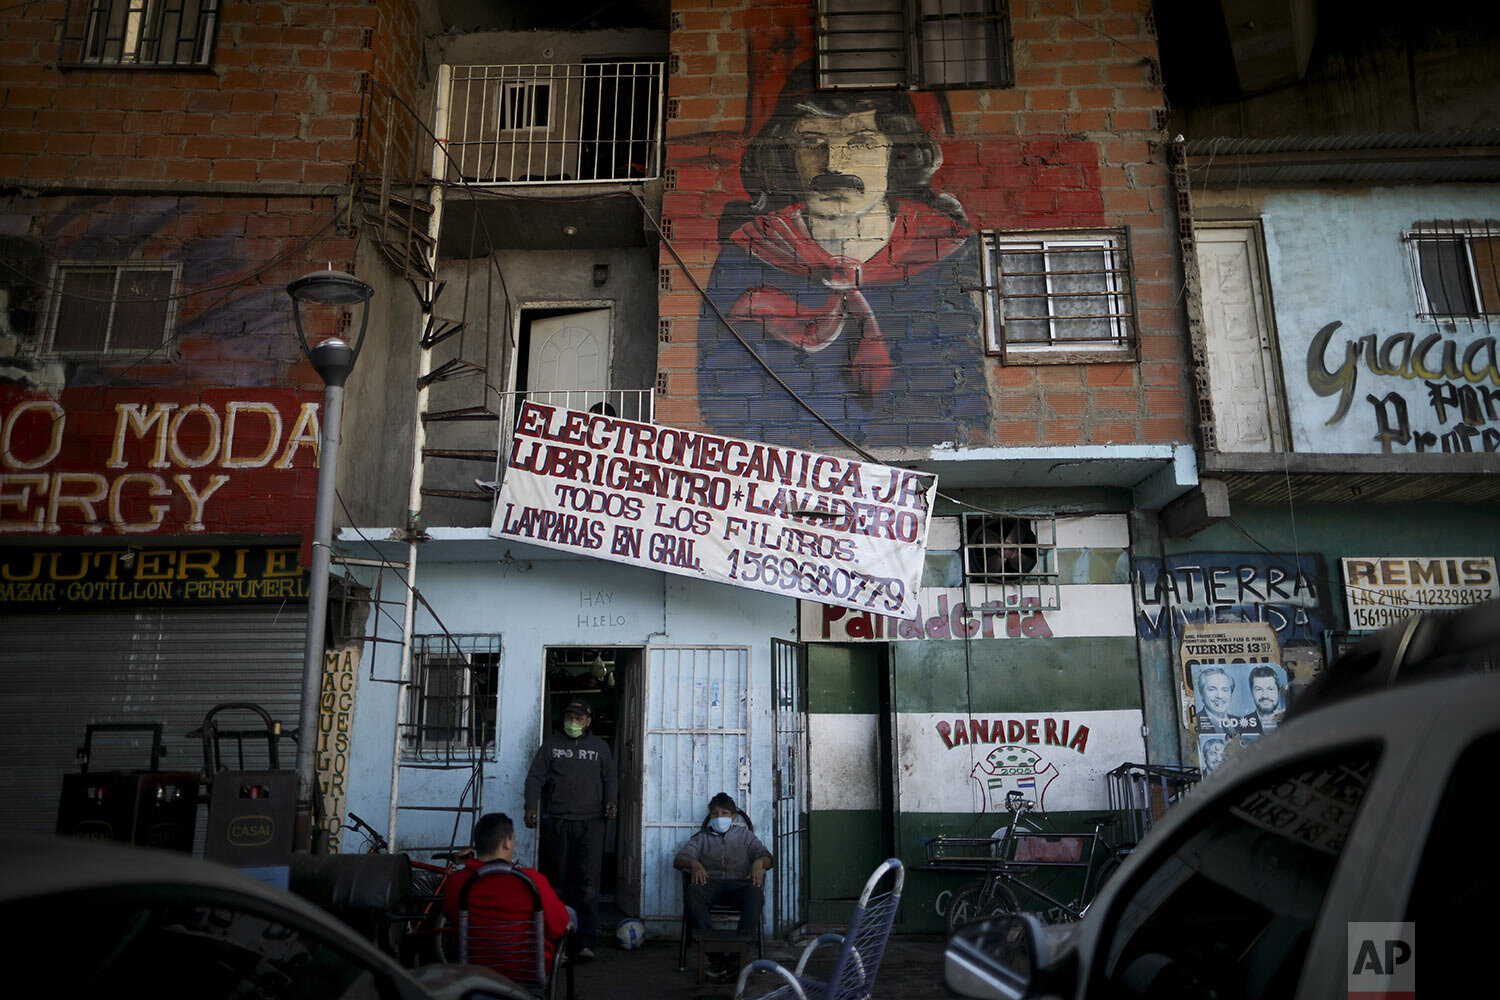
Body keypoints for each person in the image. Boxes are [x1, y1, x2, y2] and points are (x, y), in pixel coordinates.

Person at [697, 62, 990, 448]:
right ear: (787, 155)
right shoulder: (750, 251)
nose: (835, 164)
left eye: (861, 143)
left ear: (896, 153)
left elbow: (964, 384)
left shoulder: (946, 248)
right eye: (811, 143)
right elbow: (722, 389)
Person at [524, 699, 617, 962]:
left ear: (588, 721)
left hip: (592, 824)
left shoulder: (600, 747)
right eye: (569, 717)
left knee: (588, 885)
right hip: (559, 823)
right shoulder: (551, 746)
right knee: (559, 885)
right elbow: (535, 778)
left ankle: (586, 942)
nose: (572, 723)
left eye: (578, 719)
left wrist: (611, 802)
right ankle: (560, 945)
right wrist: (530, 807)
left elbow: (610, 778)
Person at [440, 812, 572, 981]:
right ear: (507, 843)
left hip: (475, 974)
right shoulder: (533, 881)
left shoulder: (457, 882)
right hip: (528, 974)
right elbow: (559, 926)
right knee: (569, 916)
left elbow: (451, 916)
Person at [673, 792, 773, 983]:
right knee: (692, 893)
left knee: (756, 894)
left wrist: (759, 862)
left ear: (733, 817)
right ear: (710, 816)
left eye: (724, 813)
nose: (719, 818)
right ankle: (716, 959)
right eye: (715, 814)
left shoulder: (745, 835)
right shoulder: (702, 837)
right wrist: (693, 863)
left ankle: (737, 960)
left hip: (740, 886)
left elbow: (766, 856)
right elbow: (678, 859)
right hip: (710, 885)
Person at [1194, 666, 1261, 736]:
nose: (1219, 696)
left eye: (1224, 690)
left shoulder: (1241, 722)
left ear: (1231, 693)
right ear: (1201, 693)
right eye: (1212, 689)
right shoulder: (1196, 722)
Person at [1248, 665, 1286, 731]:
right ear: (1251, 693)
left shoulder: (1292, 719)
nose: (1265, 695)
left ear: (1278, 692)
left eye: (1270, 689)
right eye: (1259, 689)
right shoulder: (1242, 723)